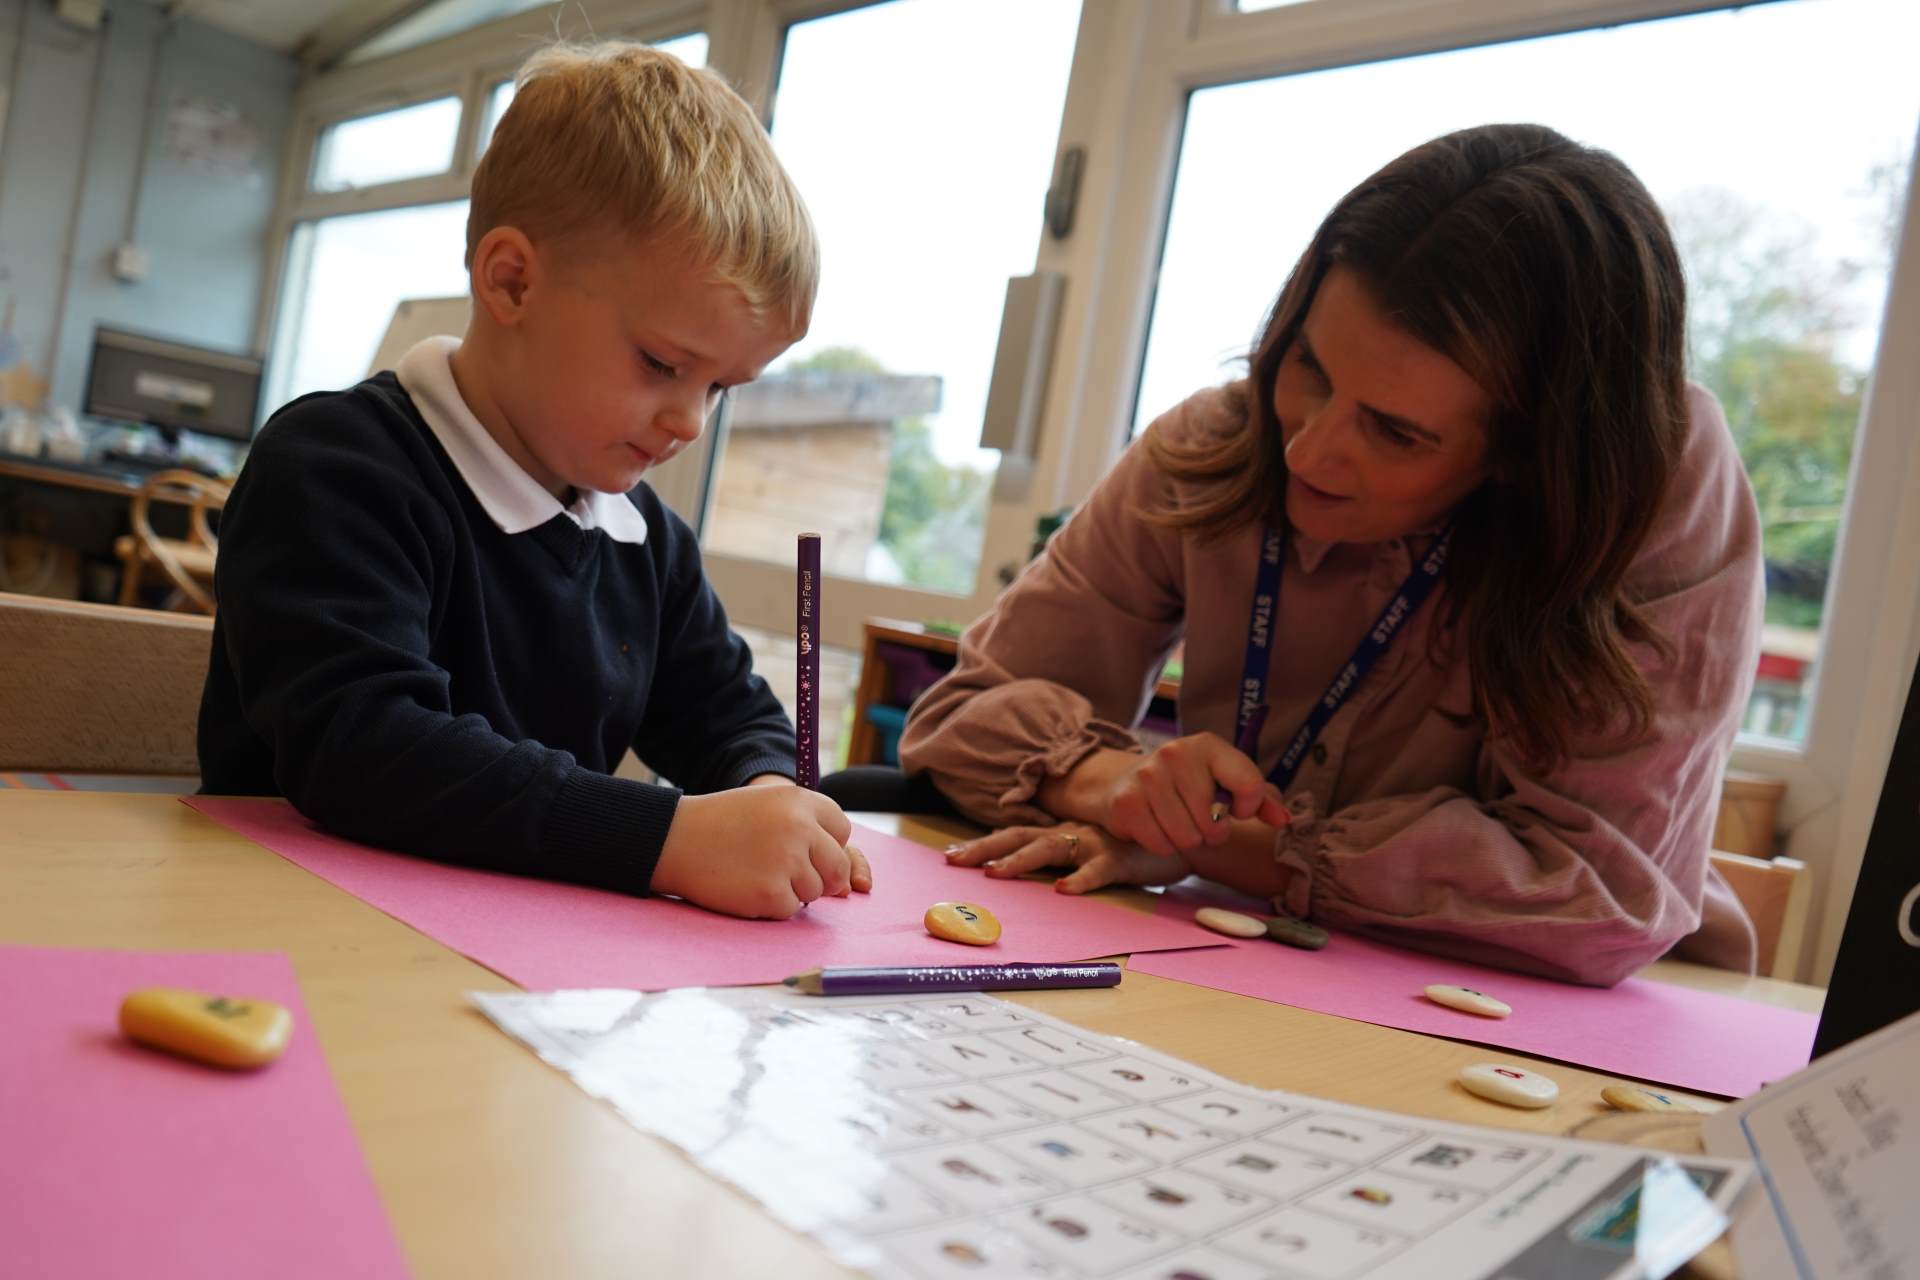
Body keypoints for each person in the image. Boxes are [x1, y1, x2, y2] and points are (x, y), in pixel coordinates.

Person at [902, 124, 1761, 986]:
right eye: (1309, 366)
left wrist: (1220, 845)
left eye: (1395, 431)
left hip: (1570, 1003)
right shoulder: (1219, 440)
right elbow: (959, 718)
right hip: (1236, 955)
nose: (1306, 452)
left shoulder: (1656, 488)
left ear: (1529, 453)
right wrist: (1115, 785)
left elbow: (1598, 893)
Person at [199, 42, 869, 921]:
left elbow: (731, 715)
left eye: (719, 389)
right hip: (285, 924)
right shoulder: (336, 466)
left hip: (512, 945)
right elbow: (361, 749)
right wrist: (667, 838)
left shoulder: (647, 542)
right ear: (512, 282)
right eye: (662, 363)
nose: (689, 422)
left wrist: (770, 794)